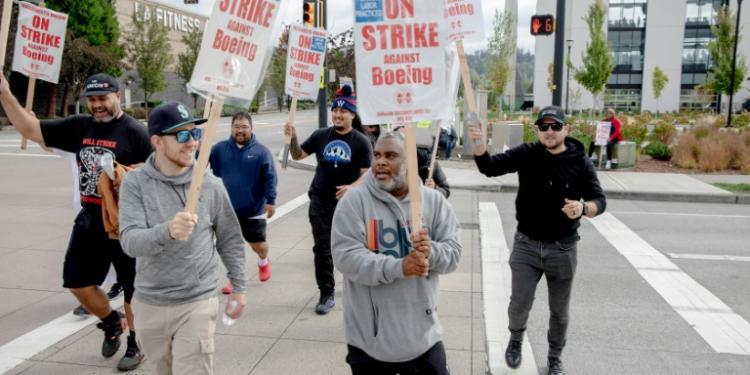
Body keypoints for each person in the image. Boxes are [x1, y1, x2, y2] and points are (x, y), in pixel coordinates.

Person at [0, 73, 148, 371]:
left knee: (132, 290)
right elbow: (31, 129)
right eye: (91, 100)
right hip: (90, 218)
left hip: (125, 222)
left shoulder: (135, 132)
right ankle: (111, 322)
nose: (96, 105)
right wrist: (4, 93)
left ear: (118, 97)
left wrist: (133, 177)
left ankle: (136, 343)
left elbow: (159, 172)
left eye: (102, 99)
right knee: (78, 283)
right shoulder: (79, 125)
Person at [469, 105, 607, 375]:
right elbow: (489, 167)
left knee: (559, 312)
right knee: (519, 305)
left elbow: (599, 200)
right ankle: (516, 339)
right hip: (526, 244)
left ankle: (555, 356)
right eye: (543, 126)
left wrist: (583, 208)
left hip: (563, 248)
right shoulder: (527, 154)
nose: (549, 131)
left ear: (566, 129)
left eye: (555, 126)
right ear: (537, 130)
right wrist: (479, 145)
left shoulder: (581, 161)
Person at [119, 102, 247, 375]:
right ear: (157, 141)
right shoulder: (135, 183)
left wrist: (239, 285)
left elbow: (230, 238)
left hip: (196, 302)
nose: (191, 142)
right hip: (149, 302)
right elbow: (129, 242)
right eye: (181, 135)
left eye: (194, 134)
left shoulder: (211, 184)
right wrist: (167, 232)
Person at [331, 131, 462, 374]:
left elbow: (454, 254)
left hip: (425, 337)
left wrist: (430, 252)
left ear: (409, 163)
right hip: (370, 342)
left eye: (390, 155)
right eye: (377, 155)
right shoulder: (353, 202)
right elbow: (346, 257)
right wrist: (399, 267)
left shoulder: (434, 202)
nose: (380, 161)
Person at [284, 85, 373, 315]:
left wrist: (352, 188)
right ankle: (326, 292)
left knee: (350, 249)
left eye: (343, 111)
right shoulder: (320, 135)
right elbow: (297, 155)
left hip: (348, 207)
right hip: (320, 201)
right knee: (322, 248)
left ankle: (358, 287)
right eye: (335, 110)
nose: (338, 115)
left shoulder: (361, 141)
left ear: (352, 114)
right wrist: (293, 138)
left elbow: (368, 174)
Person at [209, 111, 277, 292]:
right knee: (232, 249)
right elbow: (199, 161)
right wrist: (200, 146)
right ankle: (236, 281)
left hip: (253, 209)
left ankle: (263, 260)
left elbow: (270, 177)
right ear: (231, 128)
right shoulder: (219, 149)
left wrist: (271, 199)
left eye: (244, 127)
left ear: (251, 128)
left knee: (258, 245)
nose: (240, 130)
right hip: (226, 210)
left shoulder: (261, 152)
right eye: (236, 126)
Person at [393, 125, 451, 198]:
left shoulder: (428, 162)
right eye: (401, 137)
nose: (406, 140)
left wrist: (434, 189)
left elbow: (446, 191)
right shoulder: (387, 165)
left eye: (409, 137)